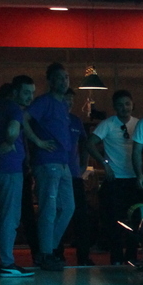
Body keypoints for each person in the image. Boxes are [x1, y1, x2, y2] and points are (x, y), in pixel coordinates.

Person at [0, 79, 36, 277]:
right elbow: (12, 130)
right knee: (10, 217)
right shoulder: (14, 109)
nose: (30, 97)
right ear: (15, 92)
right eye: (26, 92)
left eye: (32, 92)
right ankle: (7, 263)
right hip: (9, 169)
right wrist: (9, 142)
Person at [26, 63, 75, 271]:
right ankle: (46, 253)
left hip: (62, 162)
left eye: (66, 77)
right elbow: (23, 118)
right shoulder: (44, 101)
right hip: (47, 161)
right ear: (50, 81)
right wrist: (38, 141)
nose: (64, 81)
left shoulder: (62, 104)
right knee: (49, 208)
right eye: (60, 78)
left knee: (68, 207)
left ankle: (47, 249)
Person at [90, 90, 141, 265]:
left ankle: (132, 256)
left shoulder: (139, 124)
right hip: (115, 179)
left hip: (134, 178)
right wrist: (104, 164)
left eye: (127, 104)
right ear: (114, 107)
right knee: (114, 221)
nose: (124, 108)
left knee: (135, 219)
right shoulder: (108, 124)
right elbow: (90, 144)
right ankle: (117, 258)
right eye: (120, 105)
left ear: (132, 105)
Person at [61, 90, 93, 266]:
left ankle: (83, 256)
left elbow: (85, 142)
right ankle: (57, 254)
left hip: (74, 174)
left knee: (81, 216)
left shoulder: (75, 120)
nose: (70, 103)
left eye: (71, 100)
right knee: (59, 213)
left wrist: (84, 165)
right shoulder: (52, 119)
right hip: (58, 174)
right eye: (67, 99)